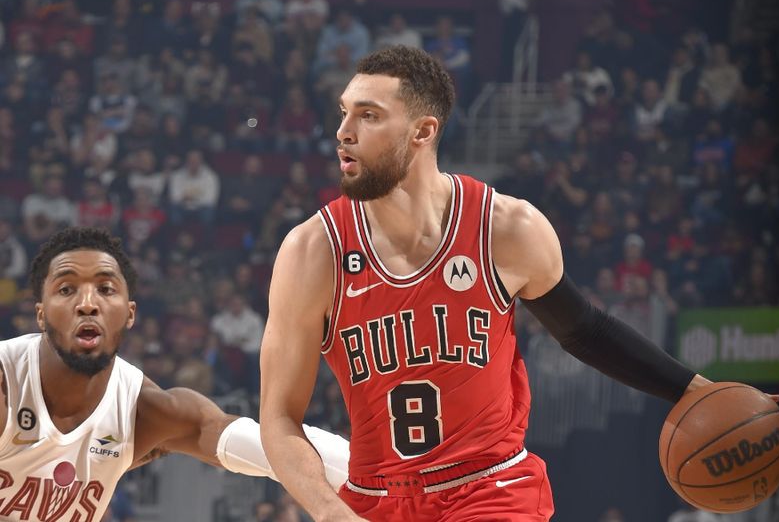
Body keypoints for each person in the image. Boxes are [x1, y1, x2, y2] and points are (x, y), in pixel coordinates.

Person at [259, 46, 712, 521]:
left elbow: (586, 332)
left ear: (423, 131)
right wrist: (332, 514)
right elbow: (278, 419)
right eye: (344, 113)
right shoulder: (313, 252)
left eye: (368, 116)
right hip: (376, 500)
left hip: (492, 488)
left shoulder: (505, 228)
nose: (343, 132)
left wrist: (690, 387)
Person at [0, 226, 349, 520]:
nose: (88, 303)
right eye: (66, 289)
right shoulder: (8, 381)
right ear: (41, 314)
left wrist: (375, 470)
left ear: (130, 314)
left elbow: (265, 446)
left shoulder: (147, 411)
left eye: (106, 289)